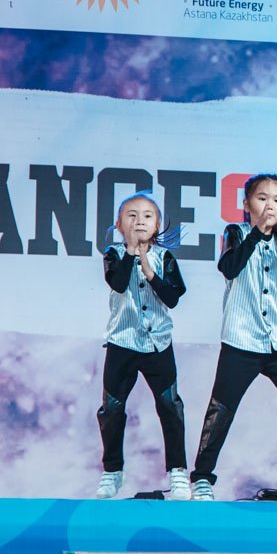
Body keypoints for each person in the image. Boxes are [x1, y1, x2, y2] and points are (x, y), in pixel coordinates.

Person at [189, 174, 277, 502]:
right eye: (262, 198)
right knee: (221, 409)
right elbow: (229, 267)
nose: (270, 206)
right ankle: (202, 478)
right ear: (247, 204)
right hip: (242, 340)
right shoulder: (236, 233)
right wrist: (256, 233)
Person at [95, 192, 189, 500]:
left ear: (157, 224)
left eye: (147, 216)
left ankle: (178, 472)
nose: (139, 221)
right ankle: (112, 471)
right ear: (119, 224)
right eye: (131, 216)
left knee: (170, 407)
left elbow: (173, 298)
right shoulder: (112, 254)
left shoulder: (165, 258)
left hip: (158, 343)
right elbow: (118, 283)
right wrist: (130, 253)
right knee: (112, 408)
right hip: (122, 343)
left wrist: (150, 273)